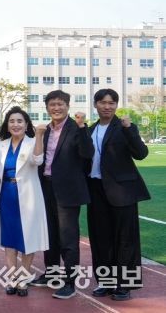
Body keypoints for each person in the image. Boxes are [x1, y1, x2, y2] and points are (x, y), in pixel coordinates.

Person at [30, 90, 94, 299]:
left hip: (68, 191)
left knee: (68, 238)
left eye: (60, 104)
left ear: (67, 105)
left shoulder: (76, 129)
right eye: (52, 105)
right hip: (46, 188)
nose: (56, 108)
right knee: (49, 235)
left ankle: (70, 282)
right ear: (47, 108)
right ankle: (51, 273)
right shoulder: (44, 130)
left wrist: (83, 127)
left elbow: (87, 153)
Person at [87, 89, 149, 301]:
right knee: (100, 240)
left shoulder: (124, 127)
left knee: (125, 240)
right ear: (95, 105)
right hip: (96, 190)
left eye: (111, 103)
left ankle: (125, 285)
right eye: (103, 102)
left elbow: (141, 154)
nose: (107, 106)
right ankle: (106, 282)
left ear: (116, 105)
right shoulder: (90, 130)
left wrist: (130, 129)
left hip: (122, 191)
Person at [0, 106, 48, 296]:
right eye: (12, 121)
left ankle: (24, 278)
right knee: (10, 240)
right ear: (7, 124)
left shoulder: (32, 142)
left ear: (26, 124)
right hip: (6, 196)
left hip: (28, 197)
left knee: (27, 239)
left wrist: (39, 135)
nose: (16, 124)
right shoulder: (2, 145)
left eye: (20, 121)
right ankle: (12, 278)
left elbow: (38, 160)